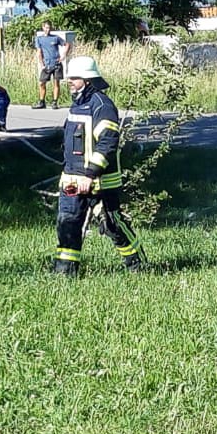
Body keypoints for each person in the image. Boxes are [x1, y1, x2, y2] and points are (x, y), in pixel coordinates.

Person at [53, 55, 145, 276]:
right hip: (72, 179)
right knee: (67, 223)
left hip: (100, 180)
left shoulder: (103, 106)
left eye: (74, 78)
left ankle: (137, 266)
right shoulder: (78, 105)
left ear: (88, 80)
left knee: (113, 224)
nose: (69, 82)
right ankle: (65, 272)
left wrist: (90, 174)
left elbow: (107, 143)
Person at [31, 21, 68, 109]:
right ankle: (41, 101)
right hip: (46, 65)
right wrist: (41, 63)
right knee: (42, 83)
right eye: (46, 28)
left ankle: (55, 102)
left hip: (56, 64)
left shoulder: (55, 38)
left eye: (49, 28)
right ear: (43, 28)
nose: (47, 29)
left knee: (56, 83)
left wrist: (63, 56)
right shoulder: (39, 39)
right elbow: (39, 52)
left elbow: (67, 45)